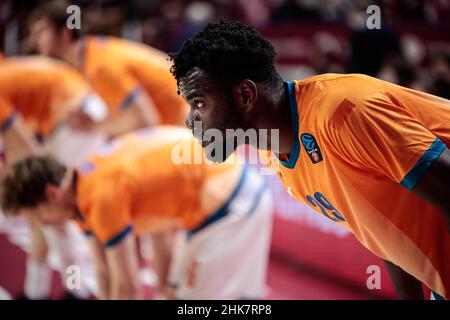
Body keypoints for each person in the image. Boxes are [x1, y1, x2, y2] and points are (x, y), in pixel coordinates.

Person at [169, 21, 450, 299]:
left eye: (199, 103)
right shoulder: (273, 154)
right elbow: (385, 230)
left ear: (245, 95)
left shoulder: (342, 112)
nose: (189, 119)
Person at [0, 127, 273, 300]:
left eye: (36, 215)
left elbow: (129, 288)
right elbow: (104, 272)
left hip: (233, 201)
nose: (40, 223)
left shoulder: (100, 197)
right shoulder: (82, 186)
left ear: (50, 195)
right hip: (220, 197)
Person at [0, 55, 108, 300]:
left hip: (76, 121)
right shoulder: (7, 75)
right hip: (77, 113)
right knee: (44, 217)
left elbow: (29, 159)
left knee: (52, 215)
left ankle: (76, 291)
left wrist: (22, 195)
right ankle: (40, 290)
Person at [29, 0, 188, 138]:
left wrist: (93, 127)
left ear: (64, 32)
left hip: (191, 124)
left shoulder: (100, 65)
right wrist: (98, 124)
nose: (33, 41)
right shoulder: (92, 54)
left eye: (41, 31)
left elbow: (146, 121)